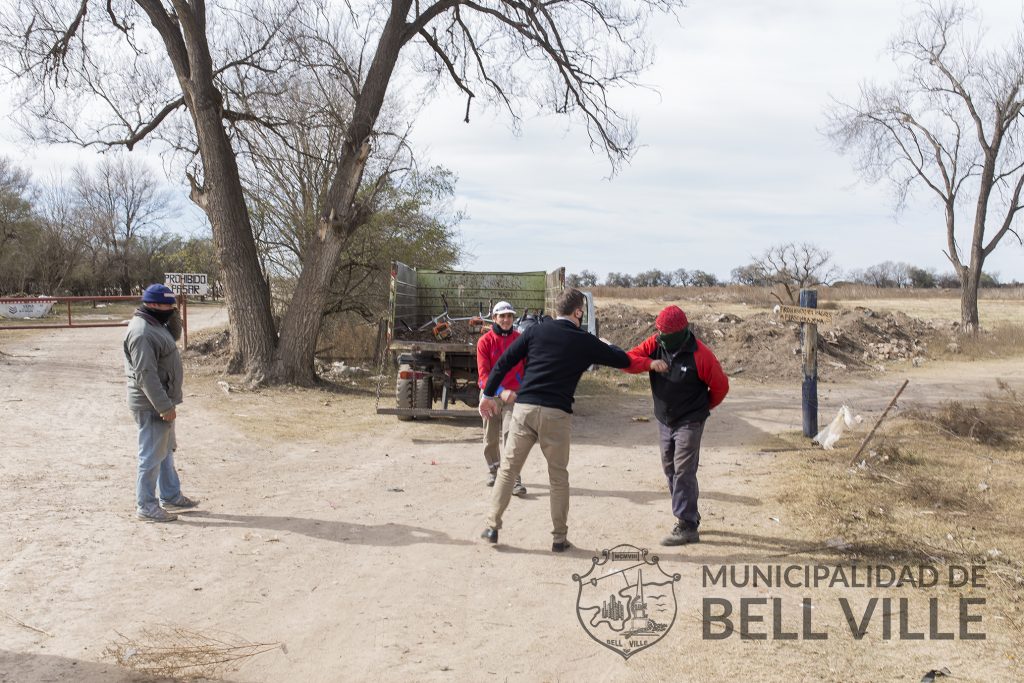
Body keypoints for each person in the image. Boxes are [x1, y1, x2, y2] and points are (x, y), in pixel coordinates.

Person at [479, 288, 631, 552]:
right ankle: (559, 538)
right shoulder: (584, 340)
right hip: (556, 414)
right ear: (578, 312)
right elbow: (622, 359)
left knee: (508, 470)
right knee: (558, 478)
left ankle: (492, 526)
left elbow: (503, 363)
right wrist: (606, 344)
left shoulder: (535, 332)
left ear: (556, 310)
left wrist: (489, 394)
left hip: (524, 409)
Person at [622, 305, 728, 545]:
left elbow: (721, 387)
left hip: (690, 420)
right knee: (670, 467)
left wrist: (701, 409)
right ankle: (689, 514)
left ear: (679, 333)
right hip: (665, 420)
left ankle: (687, 524)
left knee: (683, 470)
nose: (658, 335)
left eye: (663, 332)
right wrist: (649, 364)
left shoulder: (701, 355)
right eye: (657, 331)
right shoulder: (654, 345)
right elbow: (628, 361)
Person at [123, 284, 199, 522]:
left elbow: (174, 336)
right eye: (168, 305)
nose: (171, 308)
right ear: (153, 305)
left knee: (165, 450)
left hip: (162, 401)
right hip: (151, 404)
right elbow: (145, 374)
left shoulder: (156, 324)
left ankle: (170, 495)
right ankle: (146, 505)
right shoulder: (142, 332)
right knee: (151, 455)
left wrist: (173, 313)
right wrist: (163, 406)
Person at [476, 300, 527, 496]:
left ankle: (514, 478)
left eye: (509, 316)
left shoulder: (520, 340)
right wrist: (499, 391)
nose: (506, 320)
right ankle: (493, 470)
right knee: (490, 436)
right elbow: (483, 377)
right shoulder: (484, 342)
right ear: (494, 318)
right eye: (502, 316)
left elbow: (529, 367)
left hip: (514, 396)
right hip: (491, 395)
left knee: (511, 434)